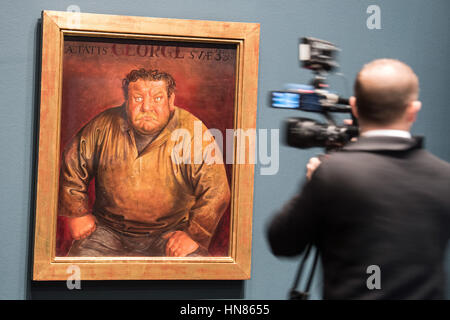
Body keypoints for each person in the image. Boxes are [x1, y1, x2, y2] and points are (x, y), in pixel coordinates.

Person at [267, 59, 450, 299]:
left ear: (354, 106)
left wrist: (314, 181)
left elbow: (283, 242)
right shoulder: (444, 176)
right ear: (413, 110)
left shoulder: (332, 175)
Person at [58, 68, 230, 257]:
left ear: (171, 101)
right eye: (138, 98)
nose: (147, 107)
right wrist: (78, 213)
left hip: (170, 234)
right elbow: (73, 161)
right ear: (127, 102)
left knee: (196, 274)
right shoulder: (103, 125)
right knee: (77, 266)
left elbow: (217, 190)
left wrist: (194, 235)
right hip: (107, 231)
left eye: (157, 98)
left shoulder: (193, 133)